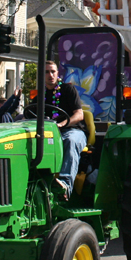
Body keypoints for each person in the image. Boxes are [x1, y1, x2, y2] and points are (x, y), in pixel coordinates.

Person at [43, 60, 87, 199]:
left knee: (70, 140)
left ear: (57, 73)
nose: (50, 75)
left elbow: (80, 115)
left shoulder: (68, 90)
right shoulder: (40, 97)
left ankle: (65, 186)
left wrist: (62, 124)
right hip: (50, 134)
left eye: (53, 71)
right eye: (46, 72)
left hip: (73, 130)